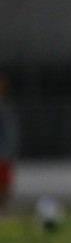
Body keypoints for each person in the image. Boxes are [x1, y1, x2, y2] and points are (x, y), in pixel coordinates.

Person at [0, 73, 20, 216]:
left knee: (5, 187)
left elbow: (11, 133)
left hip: (5, 154)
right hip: (4, 153)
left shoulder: (6, 108)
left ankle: (3, 213)